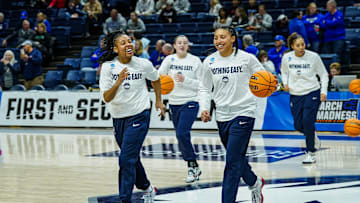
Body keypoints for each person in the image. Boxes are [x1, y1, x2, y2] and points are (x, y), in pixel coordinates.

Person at [199, 26, 265, 203]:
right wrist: (204, 108)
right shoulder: (209, 61)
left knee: (232, 162)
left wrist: (268, 85)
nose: (218, 41)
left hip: (244, 112)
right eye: (215, 38)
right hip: (222, 115)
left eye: (222, 37)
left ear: (233, 38)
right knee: (236, 157)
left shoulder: (248, 59)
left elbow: (264, 78)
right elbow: (205, 88)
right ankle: (254, 182)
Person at [99, 31, 165, 203]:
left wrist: (158, 101)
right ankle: (147, 187)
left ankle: (125, 199)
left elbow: (156, 79)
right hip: (119, 118)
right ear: (115, 49)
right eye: (123, 43)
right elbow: (106, 97)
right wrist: (118, 81)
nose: (129, 44)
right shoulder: (108, 67)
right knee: (131, 157)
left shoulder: (143, 64)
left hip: (139, 115)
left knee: (126, 158)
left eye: (130, 41)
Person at [158, 35, 203, 183]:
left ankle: (191, 165)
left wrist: (186, 80)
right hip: (174, 102)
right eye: (179, 43)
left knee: (182, 133)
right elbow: (158, 78)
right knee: (180, 136)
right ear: (174, 46)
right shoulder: (169, 60)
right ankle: (195, 166)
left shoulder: (195, 61)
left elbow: (202, 84)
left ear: (188, 46)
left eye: (185, 43)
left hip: (191, 101)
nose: (182, 45)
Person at [281, 33, 329, 164]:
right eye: (298, 45)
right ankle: (312, 135)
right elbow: (284, 72)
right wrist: (285, 83)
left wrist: (323, 91)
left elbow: (324, 74)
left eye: (302, 44)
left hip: (312, 92)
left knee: (308, 121)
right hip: (295, 94)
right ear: (292, 46)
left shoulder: (313, 57)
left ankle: (311, 153)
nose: (301, 47)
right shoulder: (287, 57)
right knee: (298, 124)